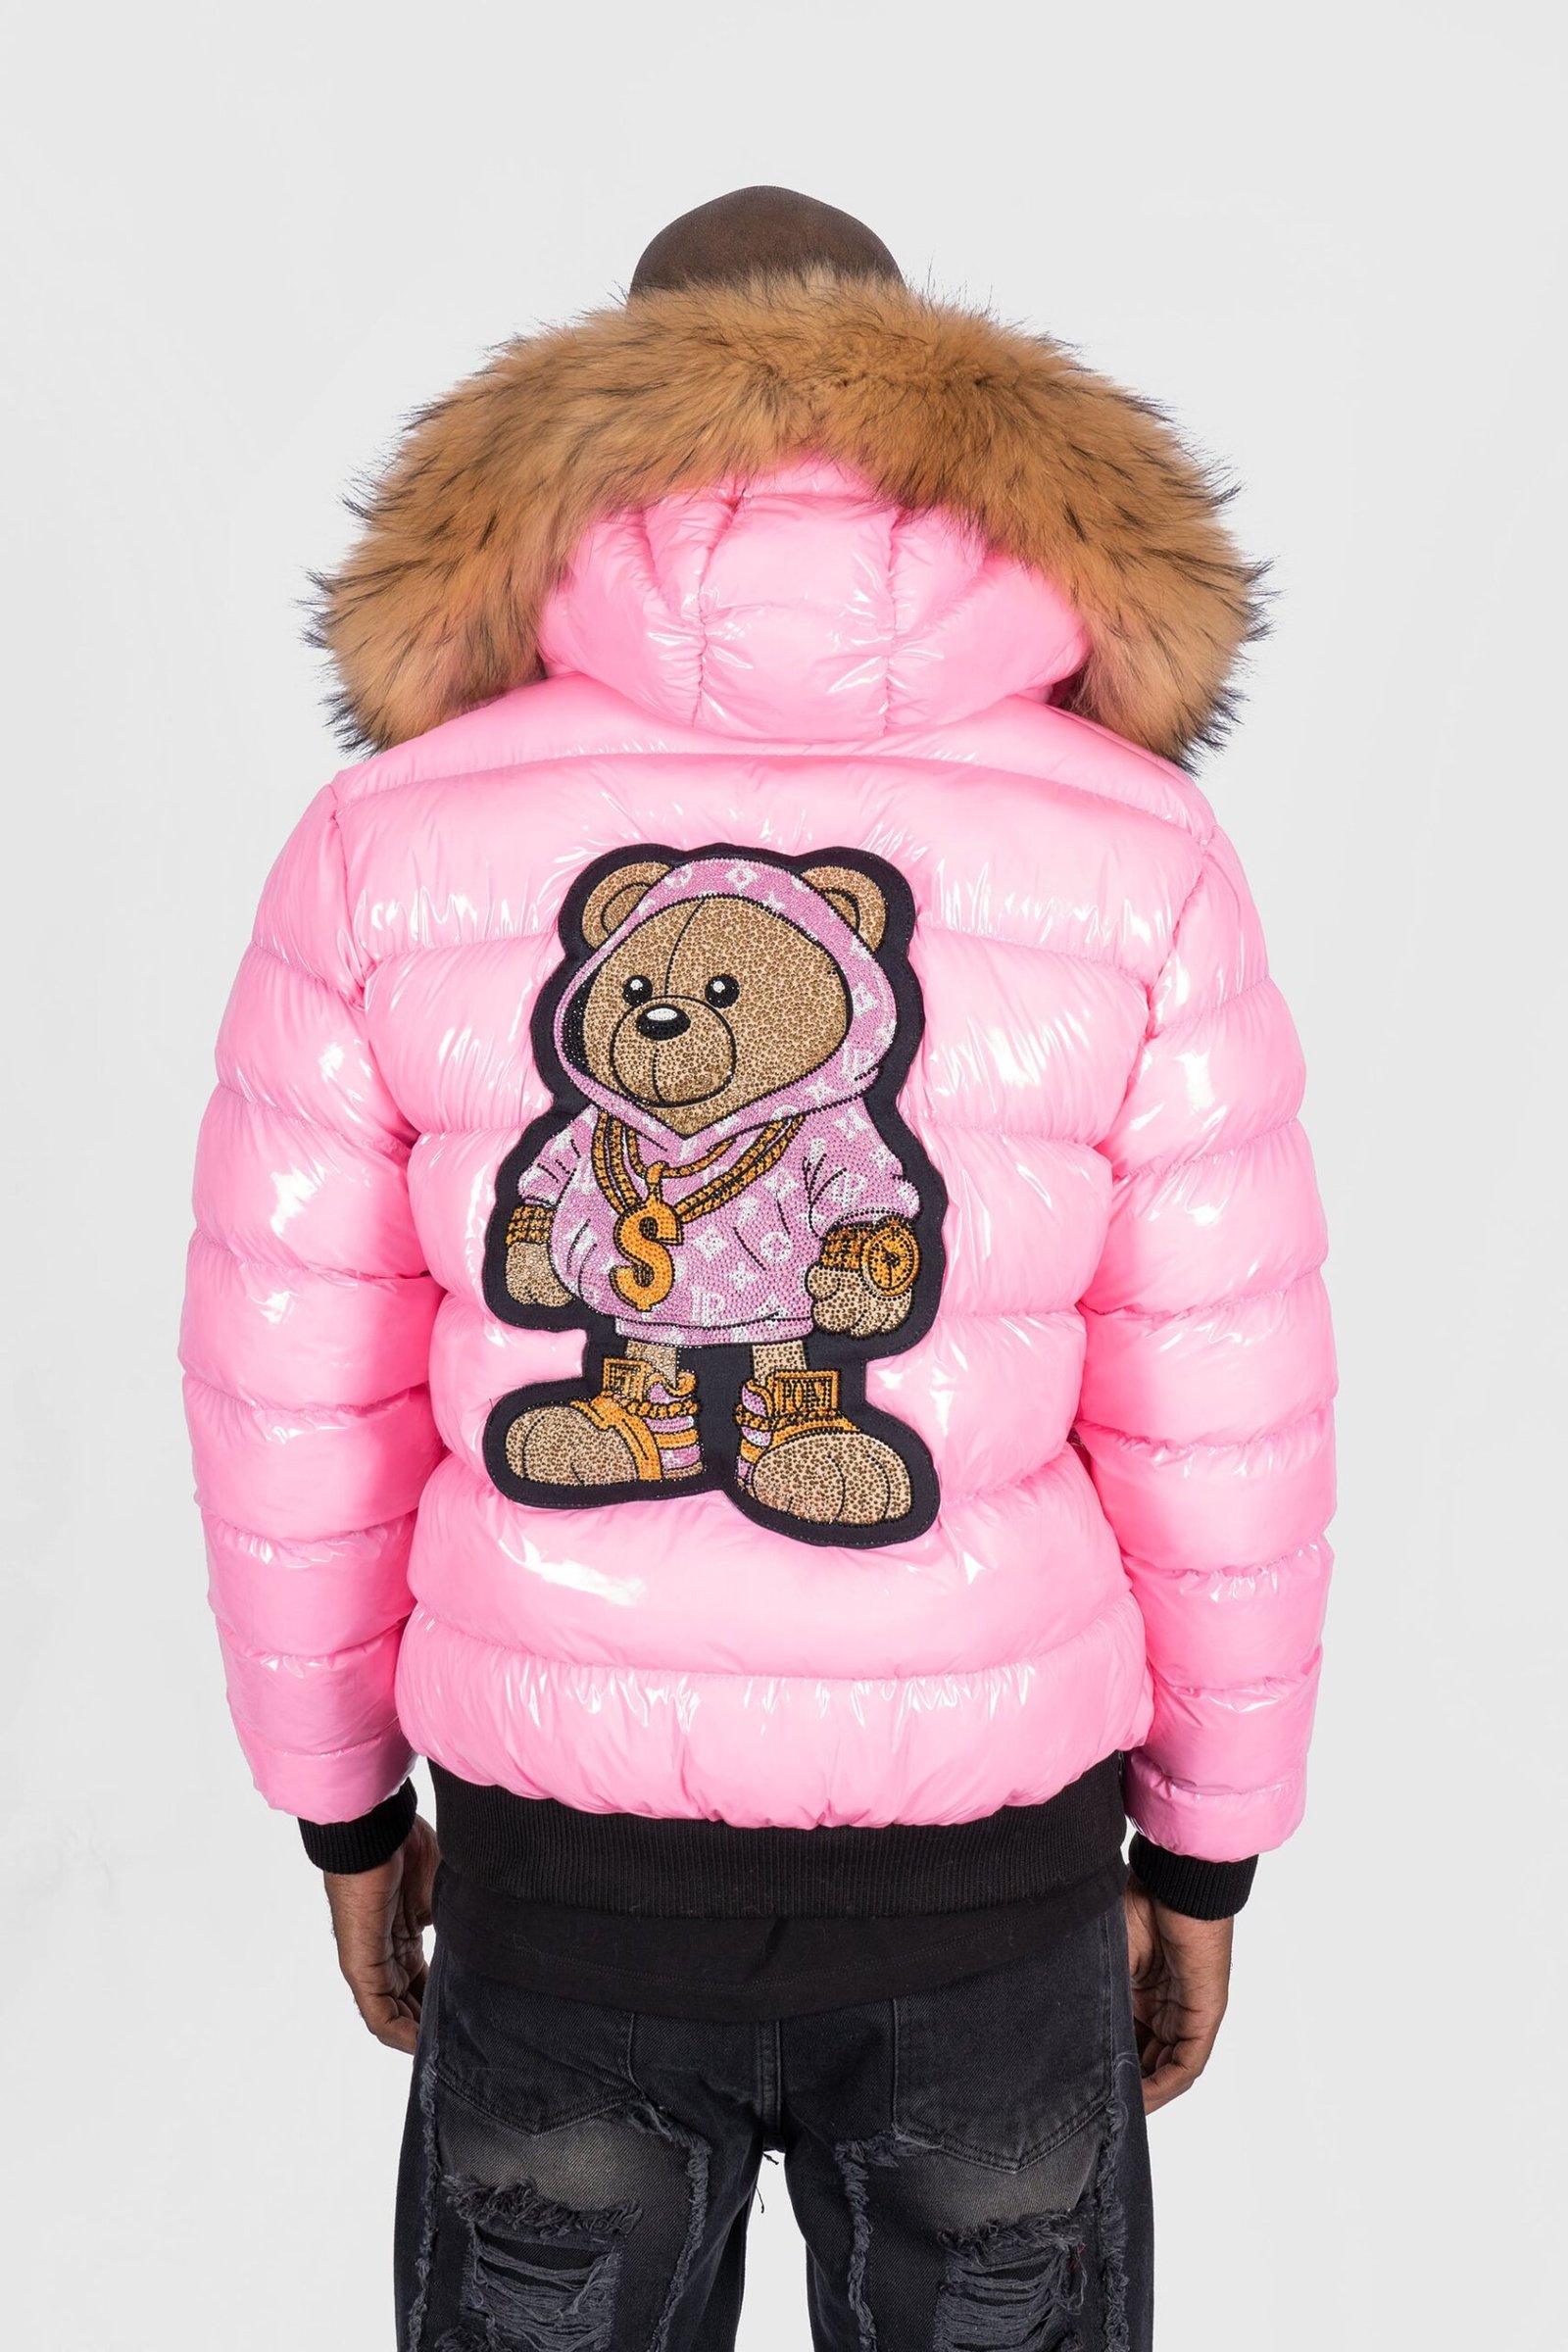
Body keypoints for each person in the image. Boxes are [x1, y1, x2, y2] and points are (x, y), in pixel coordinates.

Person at [181, 186, 1335, 2349]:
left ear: (579, 434)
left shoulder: (384, 845)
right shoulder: (1138, 850)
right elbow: (1220, 1398)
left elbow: (292, 1386)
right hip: (990, 1883)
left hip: (563, 1877)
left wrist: (343, 1809)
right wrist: (1203, 1850)